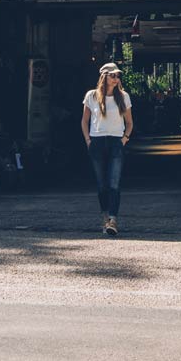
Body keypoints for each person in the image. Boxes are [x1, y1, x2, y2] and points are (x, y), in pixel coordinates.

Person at [80, 62, 134, 235]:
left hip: (116, 142)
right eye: (113, 76)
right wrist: (88, 139)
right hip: (96, 141)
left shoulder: (123, 96)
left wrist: (125, 138)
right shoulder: (92, 96)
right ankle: (105, 217)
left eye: (118, 76)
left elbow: (130, 122)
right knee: (101, 184)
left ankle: (113, 220)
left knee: (114, 183)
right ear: (104, 77)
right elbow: (84, 120)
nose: (116, 79)